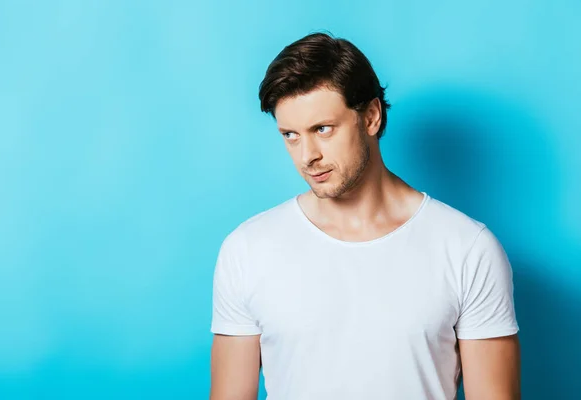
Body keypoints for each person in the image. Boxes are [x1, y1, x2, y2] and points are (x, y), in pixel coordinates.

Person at [209, 32, 521, 400]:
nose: (307, 155)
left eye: (322, 129)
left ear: (371, 116)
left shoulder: (468, 249)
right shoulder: (248, 249)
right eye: (290, 135)